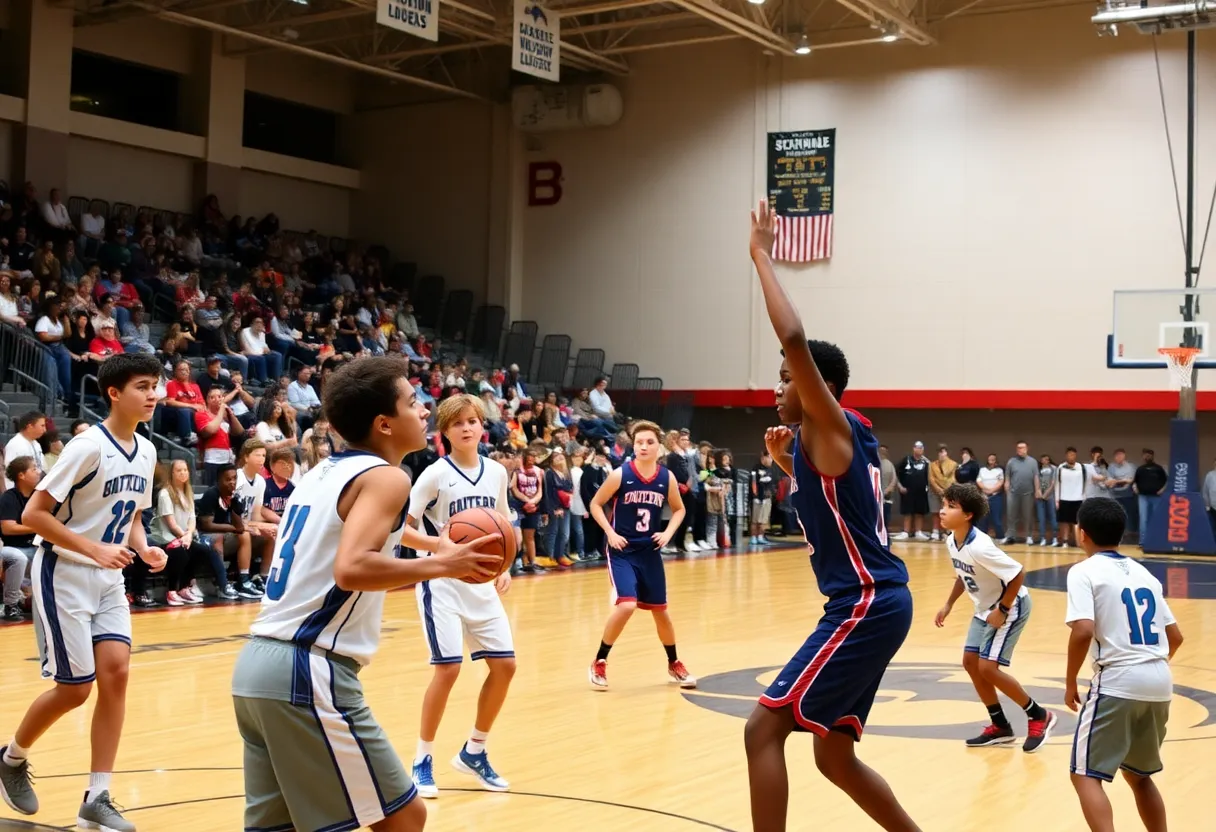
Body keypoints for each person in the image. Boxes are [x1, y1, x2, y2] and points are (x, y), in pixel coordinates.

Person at [230, 356, 501, 832]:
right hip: (307, 669)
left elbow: (349, 532)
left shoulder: (319, 474)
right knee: (404, 817)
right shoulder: (389, 477)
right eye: (413, 402)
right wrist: (444, 563)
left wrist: (431, 541)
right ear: (384, 424)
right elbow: (352, 566)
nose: (423, 412)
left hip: (257, 667)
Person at [744, 200, 920, 832]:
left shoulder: (835, 427)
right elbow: (837, 514)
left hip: (866, 602)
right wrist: (788, 471)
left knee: (762, 729)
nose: (778, 387)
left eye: (788, 379)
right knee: (834, 757)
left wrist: (761, 253)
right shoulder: (835, 445)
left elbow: (794, 337)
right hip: (874, 599)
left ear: (818, 388)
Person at [0, 353, 167, 831]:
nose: (153, 393)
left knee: (116, 677)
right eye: (142, 385)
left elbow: (132, 515)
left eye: (155, 385)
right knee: (76, 690)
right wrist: (94, 549)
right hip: (66, 572)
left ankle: (98, 794)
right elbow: (34, 514)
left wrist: (146, 547)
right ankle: (11, 758)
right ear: (114, 393)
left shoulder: (149, 449)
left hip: (108, 576)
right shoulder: (87, 446)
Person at [407, 394, 516, 798]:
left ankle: (475, 751)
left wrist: (506, 567)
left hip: (482, 584)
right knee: (448, 669)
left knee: (505, 667)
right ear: (444, 432)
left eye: (473, 421)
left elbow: (504, 522)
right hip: (443, 583)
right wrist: (440, 549)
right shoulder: (434, 475)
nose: (467, 427)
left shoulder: (497, 473)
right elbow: (402, 527)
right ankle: (422, 759)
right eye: (458, 423)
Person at [1065, 497, 1184, 832]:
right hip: (1160, 681)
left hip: (1118, 680)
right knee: (1139, 774)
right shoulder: (1144, 573)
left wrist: (1070, 680)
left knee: (1084, 774)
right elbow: (1175, 637)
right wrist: (1148, 668)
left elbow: (1083, 630)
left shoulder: (1083, 571)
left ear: (1082, 533)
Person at [934, 483, 1055, 751]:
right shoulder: (952, 540)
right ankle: (1000, 725)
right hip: (984, 610)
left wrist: (1001, 610)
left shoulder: (981, 547)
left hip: (1010, 607)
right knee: (970, 662)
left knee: (987, 668)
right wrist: (948, 604)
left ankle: (1039, 715)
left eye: (950, 507)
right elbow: (962, 576)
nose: (942, 511)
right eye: (943, 505)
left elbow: (1018, 574)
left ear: (967, 515)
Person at [587, 419, 695, 691]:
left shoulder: (666, 477)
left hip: (650, 552)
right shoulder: (620, 474)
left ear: (660, 447)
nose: (644, 446)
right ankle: (599, 661)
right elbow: (596, 504)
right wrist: (610, 533)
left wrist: (668, 533)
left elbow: (679, 509)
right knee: (626, 605)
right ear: (632, 446)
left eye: (649, 442)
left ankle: (674, 663)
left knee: (661, 612)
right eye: (639, 442)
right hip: (622, 551)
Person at [0, 455, 40, 621]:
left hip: (36, 546)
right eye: (34, 469)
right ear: (21, 475)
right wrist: (40, 527)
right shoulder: (9, 498)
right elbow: (8, 528)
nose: (39, 472)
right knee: (18, 558)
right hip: (12, 548)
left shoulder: (39, 496)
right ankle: (11, 605)